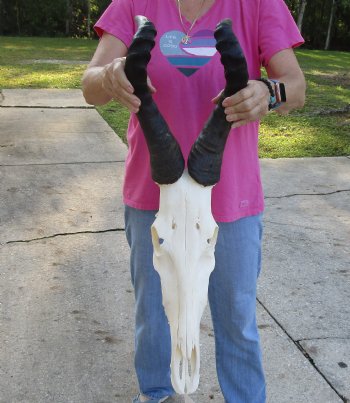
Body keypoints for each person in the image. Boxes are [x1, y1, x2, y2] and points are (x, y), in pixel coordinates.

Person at [82, 1, 306, 402]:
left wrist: (267, 93)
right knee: (154, 316)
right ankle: (157, 394)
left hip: (231, 200)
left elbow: (296, 87)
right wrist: (111, 76)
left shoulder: (258, 4)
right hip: (151, 197)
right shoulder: (133, 3)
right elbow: (90, 86)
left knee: (236, 318)